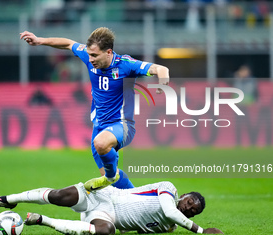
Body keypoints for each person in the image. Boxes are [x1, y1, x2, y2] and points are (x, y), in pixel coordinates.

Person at [19, 28, 170, 191]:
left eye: (95, 56)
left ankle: (111, 176)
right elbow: (69, 44)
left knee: (102, 148)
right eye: (89, 55)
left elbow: (161, 69)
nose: (90, 60)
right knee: (115, 189)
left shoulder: (126, 65)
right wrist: (40, 40)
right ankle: (142, 202)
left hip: (123, 125)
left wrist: (163, 83)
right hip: (99, 127)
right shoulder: (89, 54)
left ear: (109, 52)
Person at [0, 181, 223, 235]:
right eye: (190, 201)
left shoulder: (168, 228)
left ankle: (41, 220)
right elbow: (170, 211)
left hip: (107, 215)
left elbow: (136, 229)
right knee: (58, 195)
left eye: (194, 210)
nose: (189, 207)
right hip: (105, 195)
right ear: (183, 196)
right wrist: (201, 231)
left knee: (106, 231)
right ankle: (7, 199)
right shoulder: (168, 189)